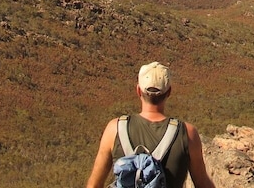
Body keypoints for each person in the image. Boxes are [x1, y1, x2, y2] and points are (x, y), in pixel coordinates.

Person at [85, 62, 216, 188]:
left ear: (138, 90)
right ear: (169, 92)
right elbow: (202, 184)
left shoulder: (115, 128)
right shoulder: (187, 133)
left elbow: (94, 185)